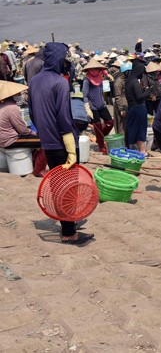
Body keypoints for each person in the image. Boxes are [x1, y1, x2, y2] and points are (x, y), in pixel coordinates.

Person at [28, 42, 94, 245]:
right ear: (58, 58)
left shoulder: (35, 81)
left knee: (58, 185)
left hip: (47, 141)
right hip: (62, 140)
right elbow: (64, 118)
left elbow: (32, 113)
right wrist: (71, 146)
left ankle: (68, 223)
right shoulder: (60, 82)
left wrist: (44, 131)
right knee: (69, 186)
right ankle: (68, 231)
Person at [0, 81, 46, 177]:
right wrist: (33, 133)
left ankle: (33, 164)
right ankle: (39, 170)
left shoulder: (3, 106)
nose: (20, 95)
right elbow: (22, 130)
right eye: (18, 93)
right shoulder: (12, 108)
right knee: (43, 142)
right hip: (10, 140)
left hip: (3, 139)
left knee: (33, 140)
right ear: (13, 95)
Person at [82, 59, 114, 154]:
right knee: (98, 126)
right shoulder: (87, 80)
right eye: (92, 69)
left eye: (96, 69)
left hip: (102, 104)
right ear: (88, 70)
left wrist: (108, 76)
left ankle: (100, 138)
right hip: (92, 106)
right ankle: (101, 146)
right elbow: (84, 94)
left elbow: (105, 91)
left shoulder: (101, 77)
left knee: (110, 122)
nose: (94, 71)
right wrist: (87, 106)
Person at [124, 62, 154, 153]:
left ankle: (131, 149)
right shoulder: (135, 81)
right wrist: (149, 90)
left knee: (133, 129)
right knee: (140, 130)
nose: (143, 74)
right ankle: (142, 151)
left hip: (132, 108)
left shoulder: (128, 80)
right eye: (142, 72)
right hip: (139, 108)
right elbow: (139, 97)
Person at [113, 61, 131, 138]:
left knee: (127, 125)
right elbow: (117, 96)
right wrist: (121, 109)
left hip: (126, 103)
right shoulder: (118, 81)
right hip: (121, 104)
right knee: (121, 126)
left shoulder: (126, 80)